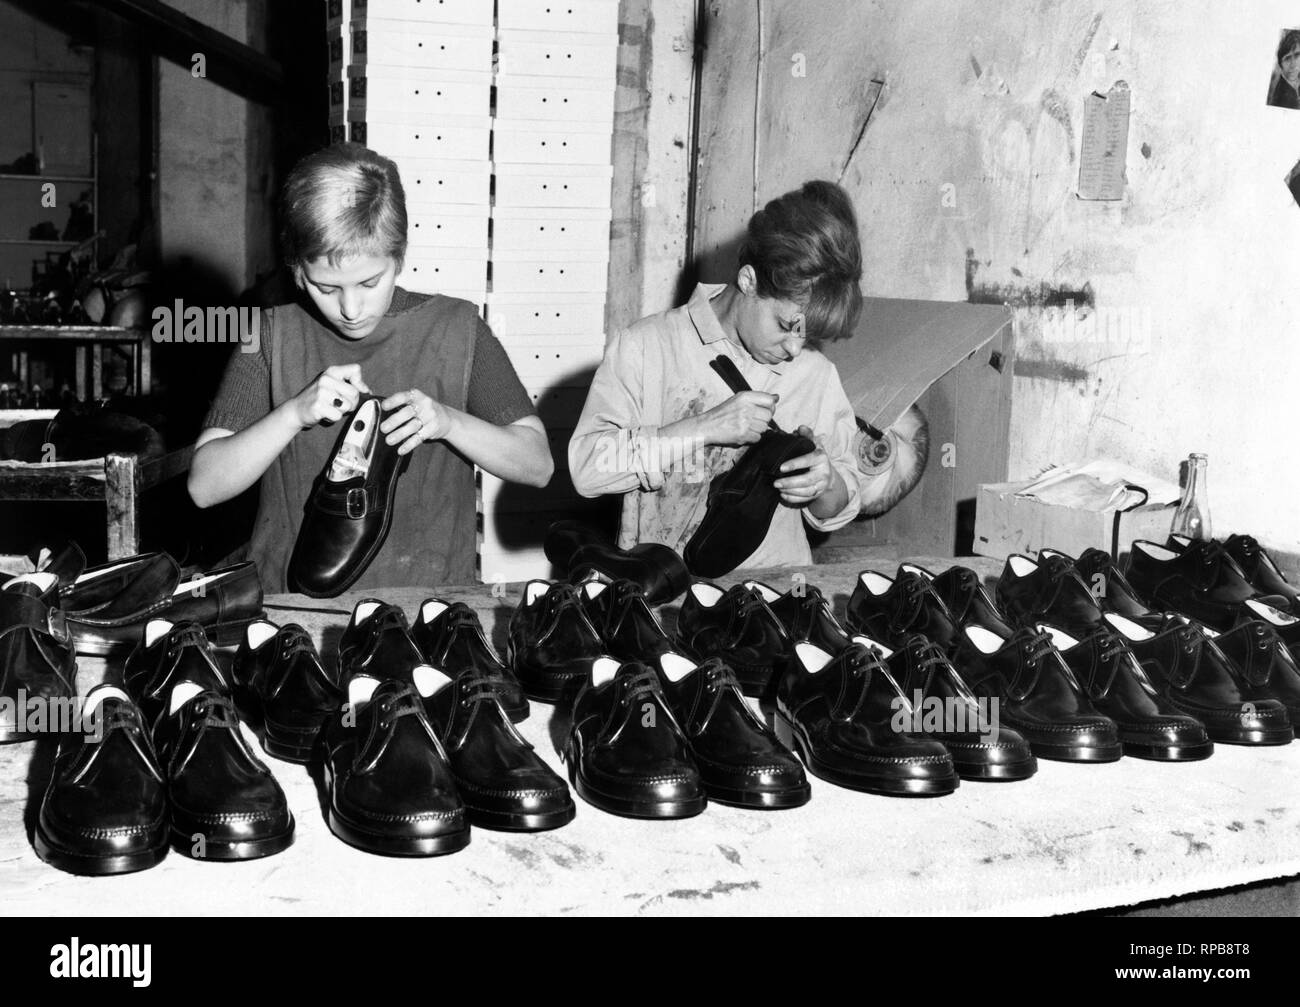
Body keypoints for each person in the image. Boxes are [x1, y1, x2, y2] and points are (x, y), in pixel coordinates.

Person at [188, 143, 551, 589]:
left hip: (426, 607)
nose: (351, 308)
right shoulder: (266, 335)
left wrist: (448, 422)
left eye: (369, 282)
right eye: (326, 286)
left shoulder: (458, 328)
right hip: (292, 608)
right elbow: (204, 487)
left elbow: (537, 465)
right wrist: (293, 413)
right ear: (297, 270)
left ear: (398, 257)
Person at [569, 179, 883, 570]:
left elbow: (842, 502)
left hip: (770, 599)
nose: (795, 349)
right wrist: (702, 427)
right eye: (787, 325)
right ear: (749, 281)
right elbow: (587, 468)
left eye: (809, 335)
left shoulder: (814, 375)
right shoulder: (647, 346)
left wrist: (826, 481)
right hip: (661, 592)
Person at [1268, 29, 1300, 109]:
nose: (1293, 64)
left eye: (1296, 55)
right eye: (1287, 58)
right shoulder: (1281, 98)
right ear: (1280, 64)